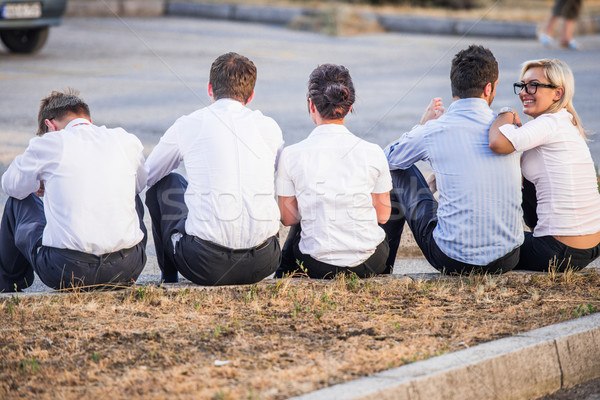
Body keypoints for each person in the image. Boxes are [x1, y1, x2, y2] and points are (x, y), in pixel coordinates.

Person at [382, 45, 523, 275]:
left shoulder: (435, 130)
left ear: (454, 85)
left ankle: (382, 269)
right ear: (489, 88)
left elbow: (383, 160)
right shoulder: (509, 130)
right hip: (508, 257)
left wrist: (422, 126)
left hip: (453, 259)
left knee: (397, 169)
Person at [145, 52, 283, 286]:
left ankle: (168, 278)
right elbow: (281, 173)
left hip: (204, 265)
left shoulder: (189, 124)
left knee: (166, 184)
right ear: (250, 97)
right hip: (263, 262)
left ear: (210, 89)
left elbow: (147, 176)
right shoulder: (268, 127)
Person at [0, 89, 148, 292]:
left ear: (50, 125)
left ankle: (8, 283)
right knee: (130, 190)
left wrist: (40, 182)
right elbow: (140, 184)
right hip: (127, 267)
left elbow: (10, 185)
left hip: (67, 271)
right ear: (88, 119)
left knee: (19, 200)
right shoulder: (125, 140)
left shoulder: (50, 142)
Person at [275, 64, 392, 279]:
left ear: (311, 105)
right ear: (348, 105)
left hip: (317, 266)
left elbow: (288, 219)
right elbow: (383, 216)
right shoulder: (373, 152)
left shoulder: (291, 155)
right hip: (370, 263)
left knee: (302, 215)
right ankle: (385, 273)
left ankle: (282, 277)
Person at [489, 58, 600, 272]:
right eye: (521, 86)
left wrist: (507, 112)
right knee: (522, 175)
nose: (523, 92)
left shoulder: (549, 122)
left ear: (557, 93)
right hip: (590, 245)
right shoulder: (564, 121)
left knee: (484, 241)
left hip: (559, 251)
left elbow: (497, 143)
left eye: (533, 85)